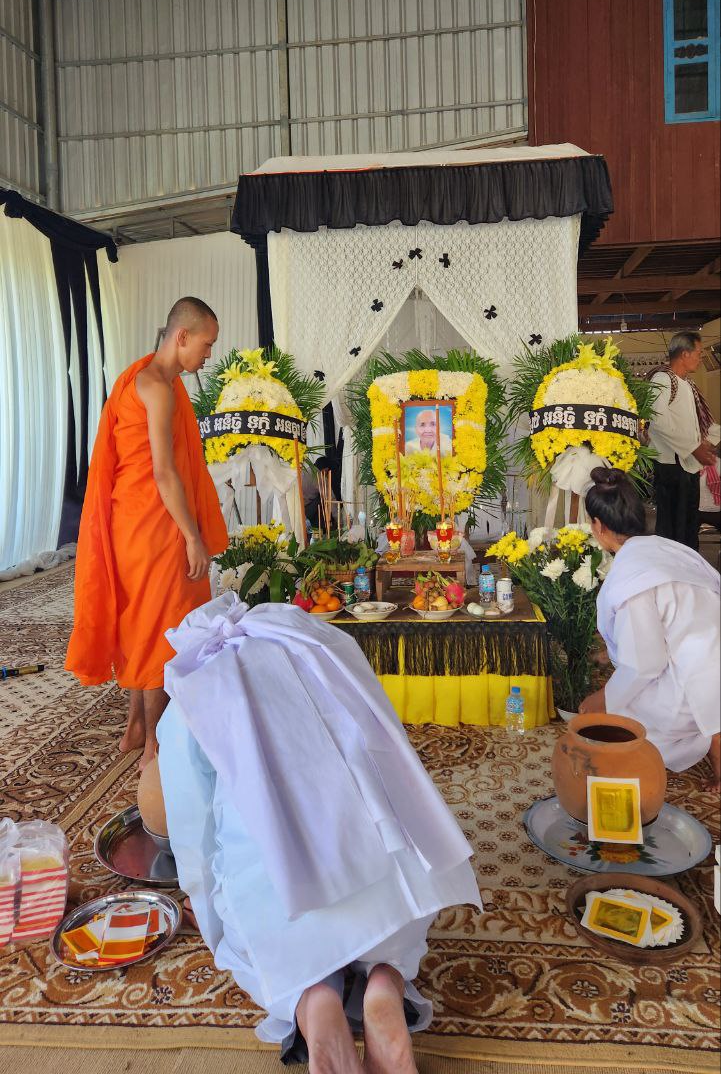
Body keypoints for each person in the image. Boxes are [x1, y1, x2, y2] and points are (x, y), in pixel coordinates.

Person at [157, 596, 481, 1071]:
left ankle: (315, 1002)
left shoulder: (190, 702)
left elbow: (194, 835)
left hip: (285, 904)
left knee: (258, 950)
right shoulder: (319, 648)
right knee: (395, 936)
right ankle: (386, 982)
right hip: (391, 888)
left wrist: (211, 916)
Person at [65, 297, 228, 769]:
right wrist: (193, 536)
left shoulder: (142, 379)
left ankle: (135, 725)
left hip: (130, 523)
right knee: (164, 628)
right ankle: (157, 742)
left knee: (141, 624)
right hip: (156, 526)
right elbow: (163, 472)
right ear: (182, 336)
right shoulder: (156, 387)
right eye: (206, 344)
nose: (208, 355)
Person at [579, 467, 720, 791]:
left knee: (621, 716)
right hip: (712, 657)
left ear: (598, 525)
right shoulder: (666, 548)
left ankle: (706, 737)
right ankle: (713, 727)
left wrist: (604, 698)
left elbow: (645, 664)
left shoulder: (632, 578)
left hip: (698, 677)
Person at [647, 332, 718, 550]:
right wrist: (694, 447)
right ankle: (671, 567)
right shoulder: (662, 379)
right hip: (672, 464)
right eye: (698, 352)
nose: (700, 357)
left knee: (688, 527)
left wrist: (706, 441)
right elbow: (658, 421)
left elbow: (697, 424)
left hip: (688, 465)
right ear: (685, 354)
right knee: (672, 530)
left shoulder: (687, 385)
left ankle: (688, 566)